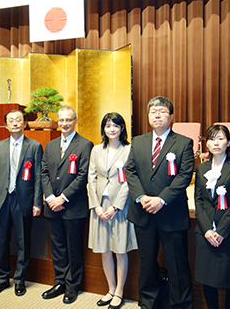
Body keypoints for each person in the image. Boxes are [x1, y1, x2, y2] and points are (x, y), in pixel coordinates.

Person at [125, 96, 194, 309]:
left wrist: (162, 199)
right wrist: (142, 197)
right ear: (148, 116)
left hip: (171, 213)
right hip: (143, 211)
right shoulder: (138, 141)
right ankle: (148, 303)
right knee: (146, 263)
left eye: (162, 111)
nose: (157, 114)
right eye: (153, 111)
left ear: (171, 117)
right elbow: (130, 170)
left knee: (177, 264)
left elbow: (184, 175)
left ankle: (180, 305)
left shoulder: (183, 142)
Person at [0, 109, 43, 297]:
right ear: (6, 125)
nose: (15, 123)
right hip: (2, 200)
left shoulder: (34, 146)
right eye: (11, 120)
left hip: (23, 201)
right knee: (1, 241)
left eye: (19, 120)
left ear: (25, 123)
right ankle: (1, 278)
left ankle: (19, 279)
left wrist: (37, 203)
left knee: (23, 242)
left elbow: (37, 178)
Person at [41, 106, 94, 304]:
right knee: (57, 247)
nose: (64, 124)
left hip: (73, 206)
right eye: (61, 120)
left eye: (68, 120)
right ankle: (60, 281)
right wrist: (49, 198)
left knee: (73, 248)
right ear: (57, 121)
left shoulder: (85, 144)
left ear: (75, 120)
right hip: (52, 206)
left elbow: (83, 176)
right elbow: (44, 172)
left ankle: (73, 286)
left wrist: (63, 198)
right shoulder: (51, 145)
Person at [88, 112, 138, 309]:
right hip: (100, 206)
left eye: (115, 126)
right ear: (104, 128)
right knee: (105, 250)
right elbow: (91, 179)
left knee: (120, 250)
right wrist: (96, 206)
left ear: (122, 129)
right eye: (108, 125)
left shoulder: (129, 150)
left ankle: (119, 292)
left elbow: (128, 180)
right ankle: (110, 289)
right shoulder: (96, 150)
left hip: (120, 206)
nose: (112, 129)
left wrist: (117, 206)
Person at [194, 125, 230, 309]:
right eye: (212, 138)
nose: (216, 143)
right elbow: (198, 202)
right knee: (207, 279)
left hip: (229, 232)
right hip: (205, 233)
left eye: (221, 138)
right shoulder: (201, 168)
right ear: (206, 143)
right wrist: (207, 230)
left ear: (229, 142)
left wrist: (221, 231)